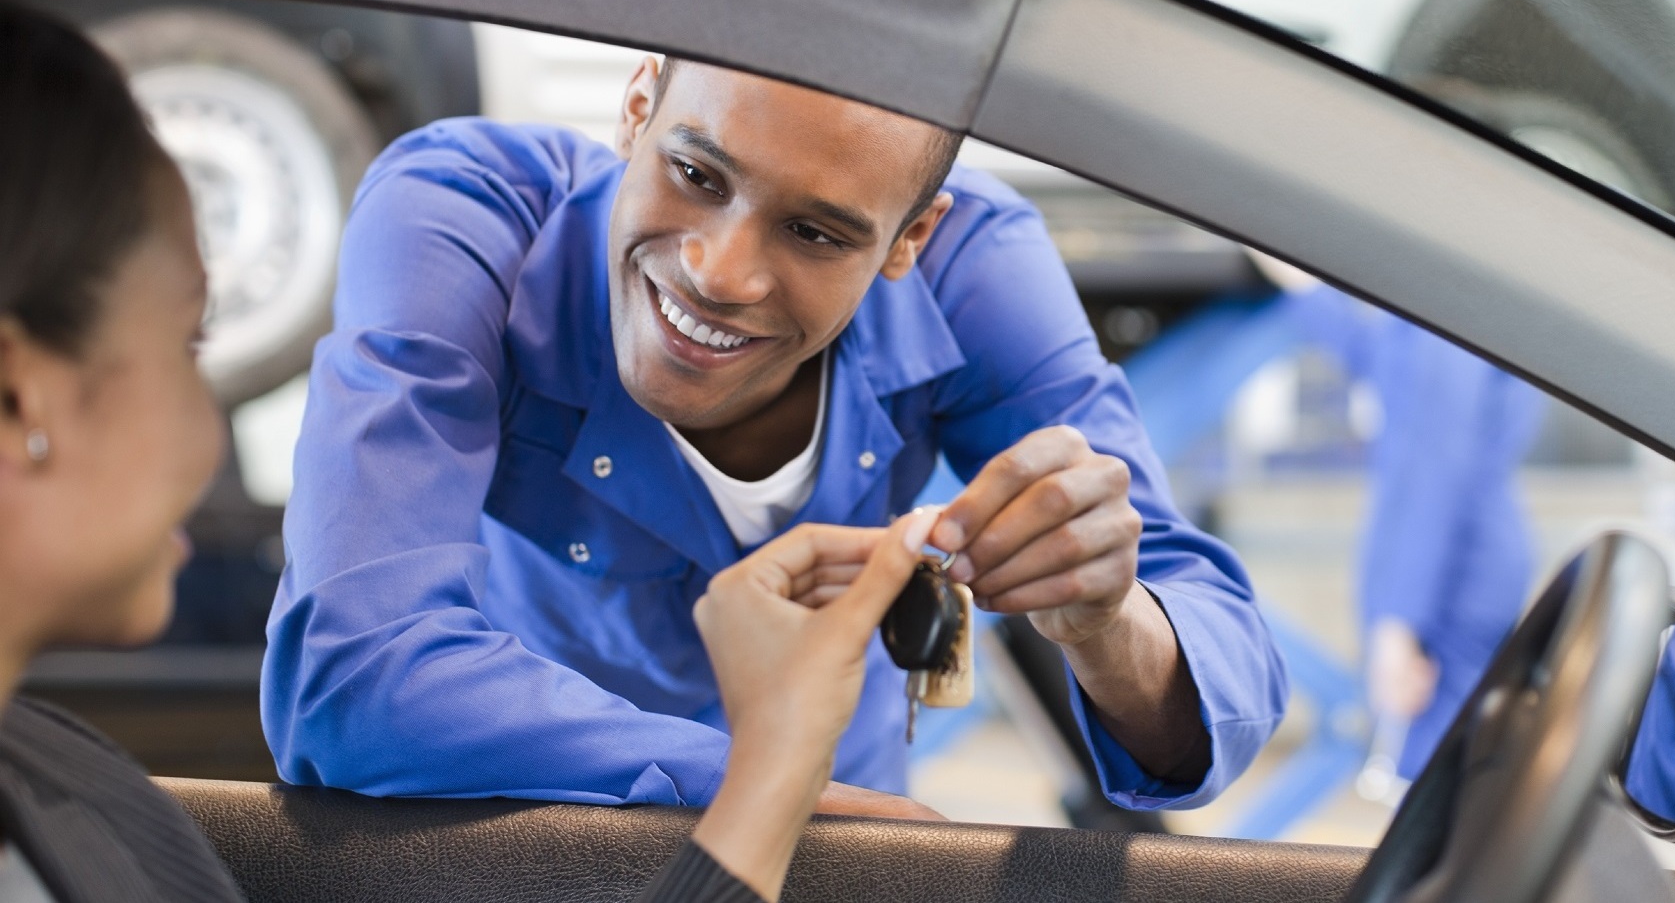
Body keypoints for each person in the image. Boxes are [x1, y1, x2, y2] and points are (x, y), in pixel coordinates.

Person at [0, 1, 906, 901]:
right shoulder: (81, 811)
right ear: (17, 395)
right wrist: (764, 779)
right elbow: (353, 675)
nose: (212, 438)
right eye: (187, 346)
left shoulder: (74, 792)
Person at [263, 53, 1284, 816]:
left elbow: (1220, 685)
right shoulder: (469, 213)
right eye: (696, 174)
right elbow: (349, 673)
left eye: (814, 233)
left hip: (835, 842)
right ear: (636, 105)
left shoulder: (974, 265)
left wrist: (1108, 622)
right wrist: (766, 782)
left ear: (910, 239)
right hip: (539, 835)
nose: (720, 273)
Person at [1290, 289, 1544, 792]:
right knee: (1450, 779)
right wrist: (1307, 292)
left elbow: (1433, 465)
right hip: (1463, 557)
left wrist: (1399, 622)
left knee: (1435, 785)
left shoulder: (1449, 308)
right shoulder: (1451, 308)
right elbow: (1380, 360)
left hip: (1452, 574)